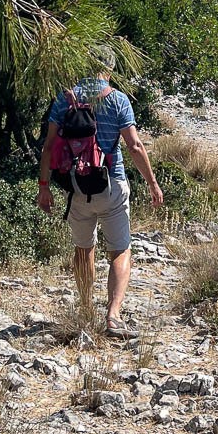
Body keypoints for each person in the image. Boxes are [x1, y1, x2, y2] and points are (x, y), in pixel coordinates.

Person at [37, 46, 163, 338]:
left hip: (76, 188)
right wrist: (152, 183)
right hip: (111, 183)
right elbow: (134, 146)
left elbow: (48, 146)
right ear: (110, 68)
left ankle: (84, 308)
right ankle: (113, 315)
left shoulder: (64, 99)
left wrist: (44, 187)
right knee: (120, 249)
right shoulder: (118, 100)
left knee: (83, 249)